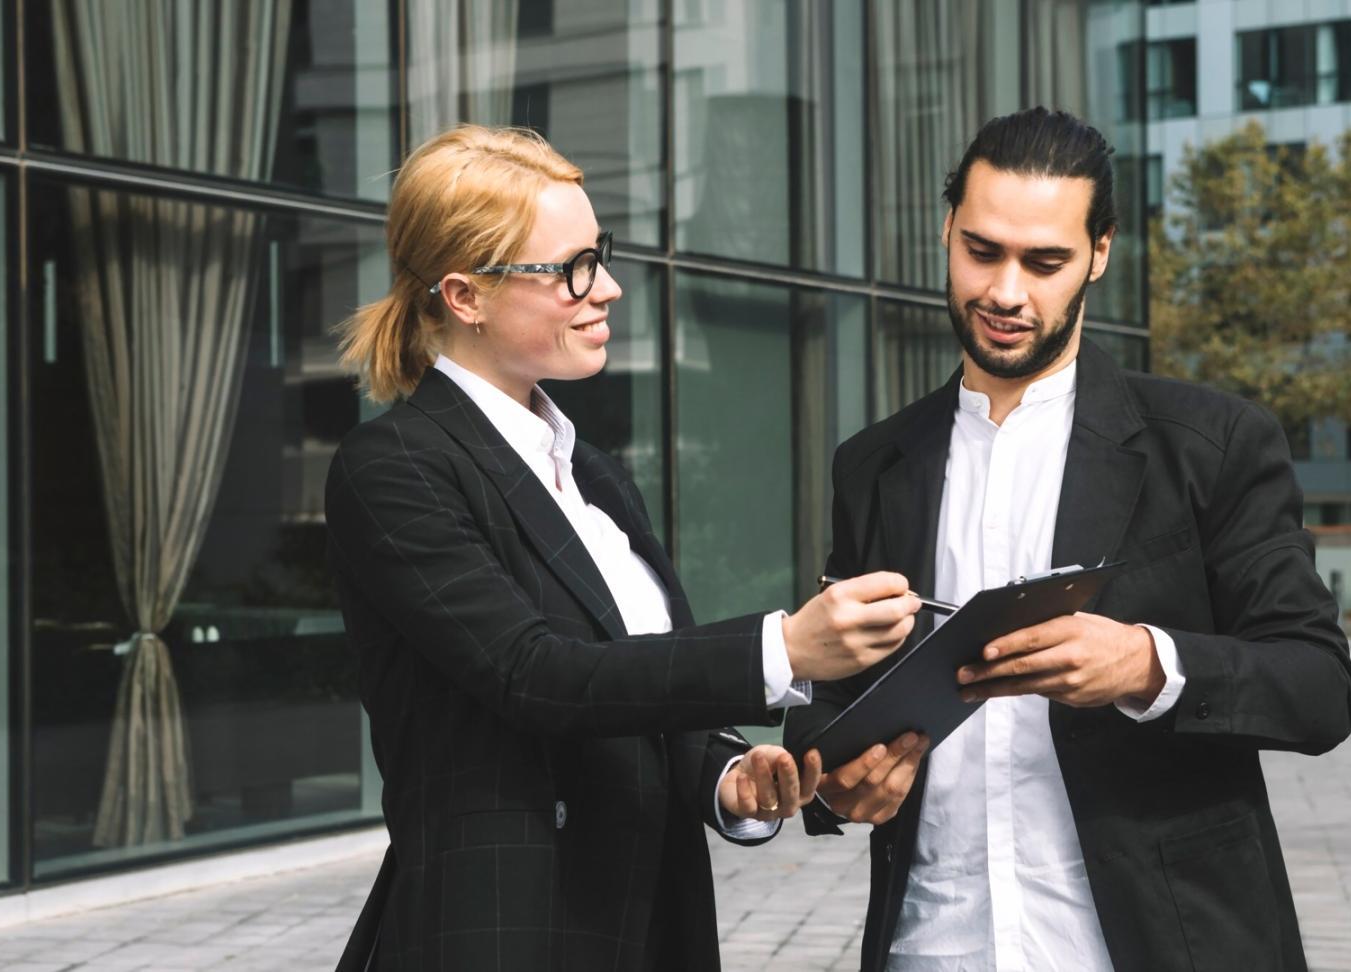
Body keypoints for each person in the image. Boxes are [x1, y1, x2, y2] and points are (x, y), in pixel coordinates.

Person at [324, 125, 922, 972]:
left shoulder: (595, 478)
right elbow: (538, 677)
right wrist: (782, 647)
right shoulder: (393, 469)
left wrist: (726, 775)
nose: (605, 288)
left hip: (650, 927)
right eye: (569, 269)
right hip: (506, 933)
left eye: (599, 254)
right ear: (465, 296)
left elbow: (637, 692)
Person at [786, 107, 1351, 972]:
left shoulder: (1211, 445)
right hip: (935, 945)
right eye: (981, 251)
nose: (1006, 292)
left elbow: (1319, 686)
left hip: (1153, 945)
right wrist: (831, 781)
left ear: (1099, 251)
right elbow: (834, 702)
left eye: (1044, 261)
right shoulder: (874, 465)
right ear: (946, 231)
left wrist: (1147, 665)